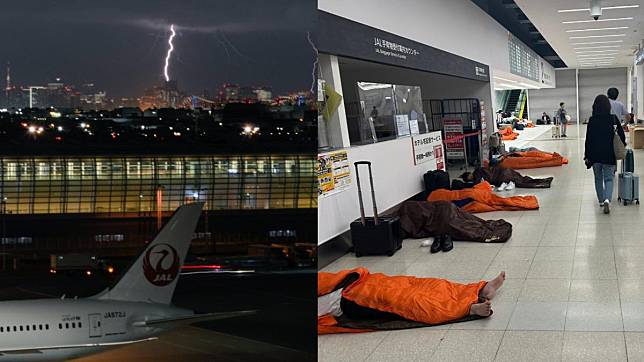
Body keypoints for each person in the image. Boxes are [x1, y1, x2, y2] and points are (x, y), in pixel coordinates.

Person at [318, 268, 506, 334]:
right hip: (350, 301)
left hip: (356, 281)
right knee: (412, 301)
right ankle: (468, 308)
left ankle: (478, 288)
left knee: (429, 285)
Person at [584, 94, 626, 214]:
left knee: (598, 178)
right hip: (609, 154)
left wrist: (587, 155)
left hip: (595, 155)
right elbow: (621, 136)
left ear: (594, 107)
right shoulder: (613, 119)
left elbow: (588, 140)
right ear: (608, 106)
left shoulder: (592, 120)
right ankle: (607, 199)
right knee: (609, 179)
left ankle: (601, 201)